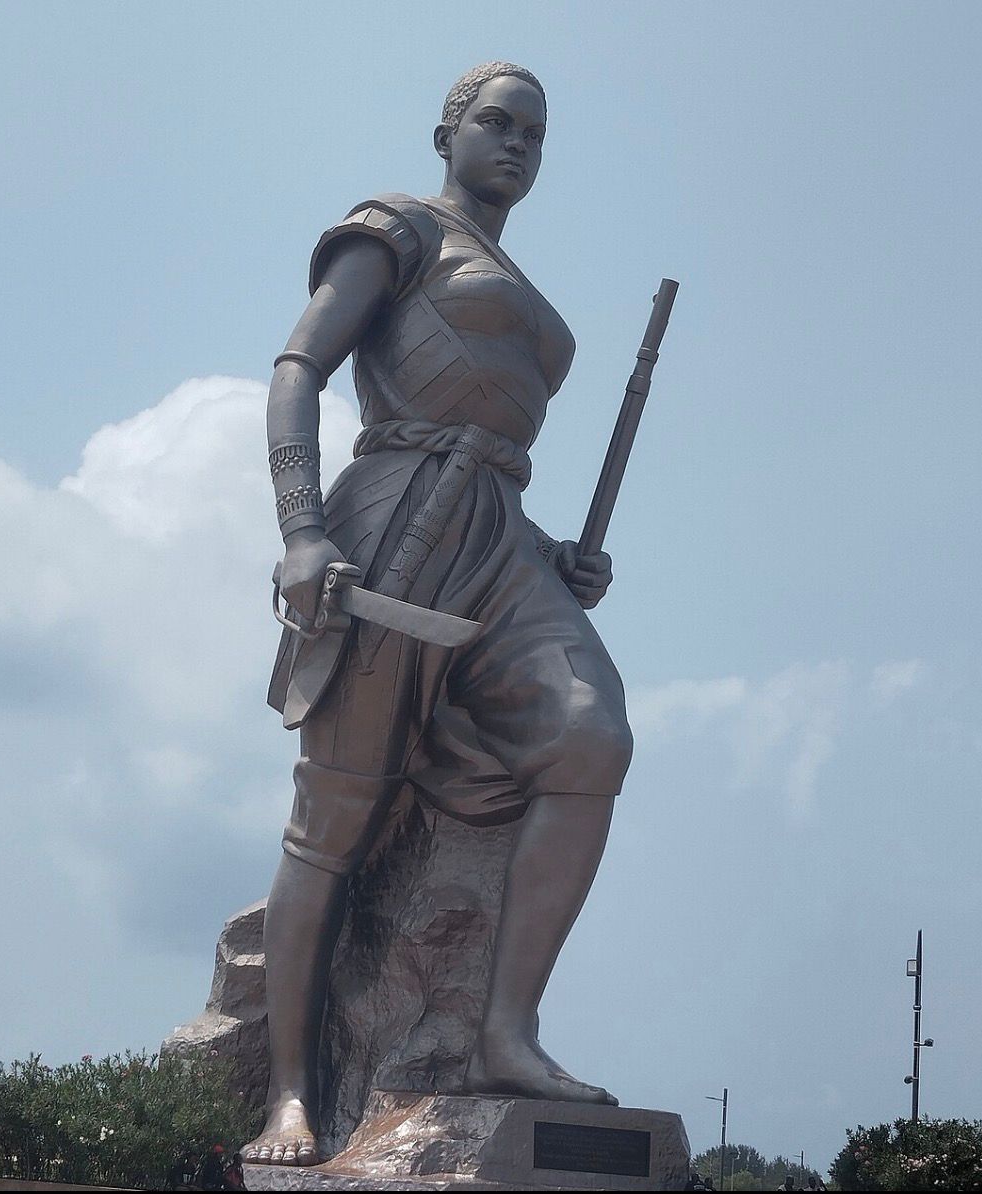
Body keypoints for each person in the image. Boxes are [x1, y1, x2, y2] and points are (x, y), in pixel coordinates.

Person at [246, 60, 631, 1168]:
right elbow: (295, 368)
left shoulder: (519, 272)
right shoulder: (396, 226)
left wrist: (559, 554)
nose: (517, 145)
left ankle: (507, 1033)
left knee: (591, 737)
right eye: (497, 124)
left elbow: (496, 446)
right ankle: (288, 1098)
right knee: (333, 820)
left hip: (504, 538)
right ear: (446, 132)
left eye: (535, 136)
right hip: (392, 525)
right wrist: (302, 530)